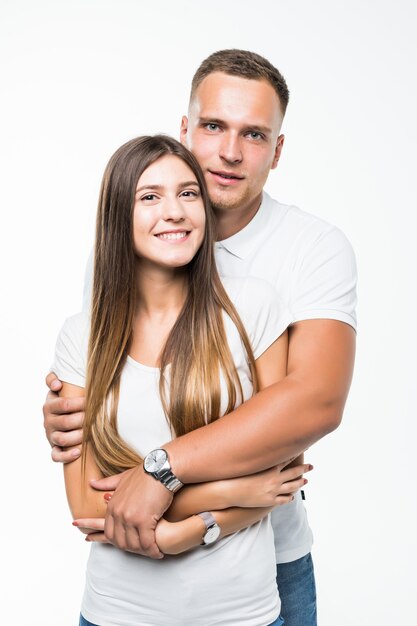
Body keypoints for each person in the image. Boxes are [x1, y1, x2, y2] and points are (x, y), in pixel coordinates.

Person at [44, 49, 357, 626]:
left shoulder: (305, 254)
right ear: (185, 130)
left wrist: (161, 473)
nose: (231, 152)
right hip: (125, 591)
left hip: (264, 562)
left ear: (278, 150)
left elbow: (309, 406)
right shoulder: (113, 268)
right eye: (214, 126)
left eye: (255, 134)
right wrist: (69, 417)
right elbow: (96, 454)